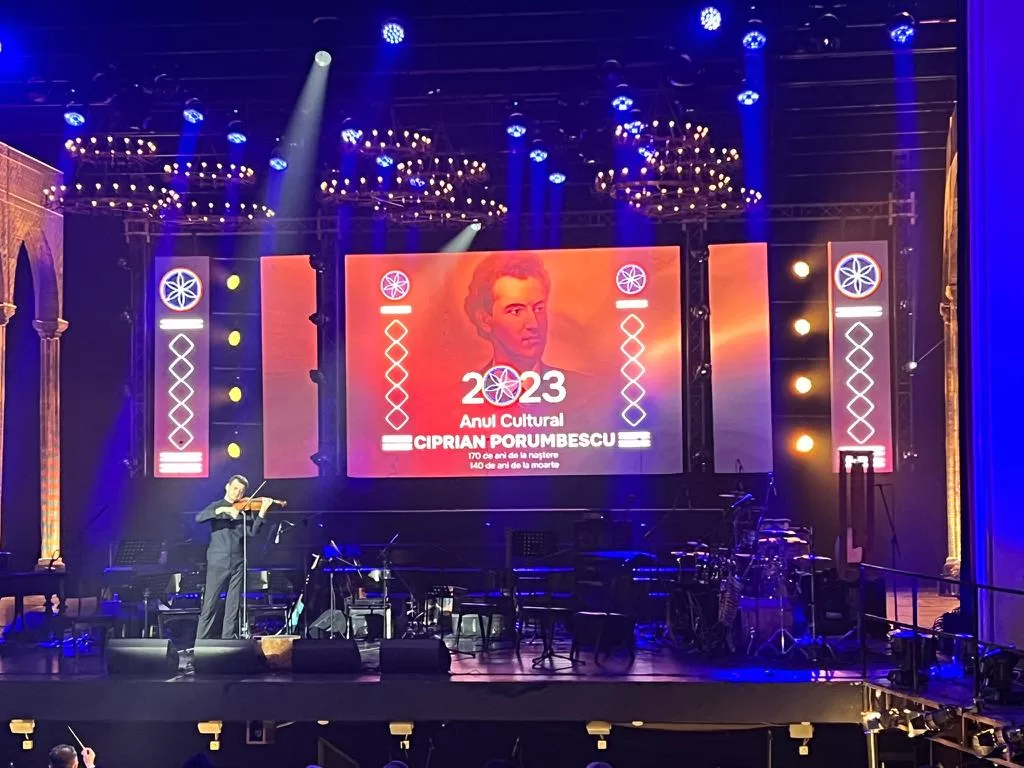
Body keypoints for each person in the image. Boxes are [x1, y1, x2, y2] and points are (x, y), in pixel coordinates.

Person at [195, 475, 272, 640]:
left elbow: (252, 533)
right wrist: (223, 510)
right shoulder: (217, 505)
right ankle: (201, 643)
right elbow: (199, 517)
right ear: (227, 486)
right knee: (210, 604)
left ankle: (228, 641)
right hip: (218, 561)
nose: (238, 493)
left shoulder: (245, 510)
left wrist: (262, 512)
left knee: (233, 605)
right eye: (235, 488)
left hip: (238, 561)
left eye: (241, 491)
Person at [464, 251, 553, 373]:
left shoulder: (576, 383)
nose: (534, 324)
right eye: (516, 311)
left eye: (539, 309)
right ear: (484, 320)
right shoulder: (467, 386)